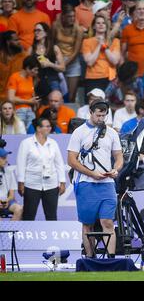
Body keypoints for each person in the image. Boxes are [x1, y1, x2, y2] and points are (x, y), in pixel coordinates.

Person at [67, 100, 123, 258]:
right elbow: (71, 160)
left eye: (104, 115)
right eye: (98, 115)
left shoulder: (111, 133)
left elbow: (119, 157)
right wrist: (91, 173)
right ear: (90, 112)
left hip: (107, 183)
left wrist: (116, 169)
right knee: (88, 224)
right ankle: (91, 258)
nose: (101, 119)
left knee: (108, 222)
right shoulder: (79, 132)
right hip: (86, 183)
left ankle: (111, 258)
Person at [17, 117, 66, 221]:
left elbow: (59, 164)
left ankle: (52, 236)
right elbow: (21, 164)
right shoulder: (26, 143)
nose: (50, 128)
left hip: (51, 184)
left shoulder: (53, 143)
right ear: (38, 128)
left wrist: (62, 182)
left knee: (52, 216)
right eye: (47, 126)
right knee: (28, 215)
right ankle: (27, 236)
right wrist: (21, 182)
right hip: (32, 184)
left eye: (50, 126)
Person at [52, 3, 84, 103]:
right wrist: (59, 63)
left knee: (71, 96)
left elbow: (76, 51)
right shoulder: (55, 26)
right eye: (69, 16)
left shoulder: (79, 29)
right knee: (58, 93)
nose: (72, 18)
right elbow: (52, 43)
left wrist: (64, 64)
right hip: (58, 59)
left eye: (74, 16)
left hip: (72, 61)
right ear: (63, 16)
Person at [82, 15, 121, 95]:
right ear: (94, 26)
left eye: (103, 23)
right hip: (92, 78)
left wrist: (104, 46)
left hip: (110, 77)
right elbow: (89, 62)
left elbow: (115, 61)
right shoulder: (86, 42)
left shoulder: (115, 41)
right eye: (98, 23)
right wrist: (99, 45)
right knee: (93, 104)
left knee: (108, 104)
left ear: (107, 26)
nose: (101, 25)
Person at [28, 22, 66, 101]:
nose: (36, 33)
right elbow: (26, 68)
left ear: (46, 33)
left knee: (54, 104)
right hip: (37, 81)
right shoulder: (31, 49)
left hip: (52, 80)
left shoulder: (54, 48)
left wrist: (50, 64)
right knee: (38, 105)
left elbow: (63, 68)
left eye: (39, 30)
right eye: (35, 31)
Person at [7, 55, 41, 129]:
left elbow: (32, 95)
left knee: (32, 132)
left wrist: (35, 102)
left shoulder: (30, 78)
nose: (36, 72)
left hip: (30, 111)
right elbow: (11, 98)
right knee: (20, 132)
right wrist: (28, 101)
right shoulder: (15, 77)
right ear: (28, 68)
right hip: (19, 110)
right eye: (35, 70)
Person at [0, 31, 27, 103]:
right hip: (2, 98)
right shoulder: (1, 57)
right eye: (16, 40)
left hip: (19, 99)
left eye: (18, 39)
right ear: (8, 42)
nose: (19, 42)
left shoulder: (23, 56)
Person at [0, 147, 23, 221]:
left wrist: (7, 200)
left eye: (6, 158)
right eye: (3, 158)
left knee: (19, 209)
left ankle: (10, 230)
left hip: (7, 201)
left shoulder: (9, 172)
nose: (6, 161)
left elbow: (12, 195)